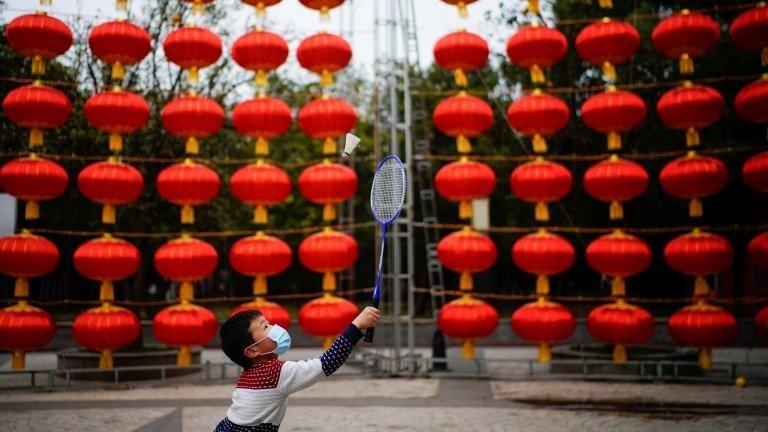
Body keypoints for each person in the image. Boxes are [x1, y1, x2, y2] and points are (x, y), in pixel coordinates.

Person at [214, 306, 381, 431]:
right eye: (265, 327)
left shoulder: (249, 374)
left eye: (269, 323)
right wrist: (357, 325)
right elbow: (327, 363)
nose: (274, 328)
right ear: (252, 351)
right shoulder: (274, 373)